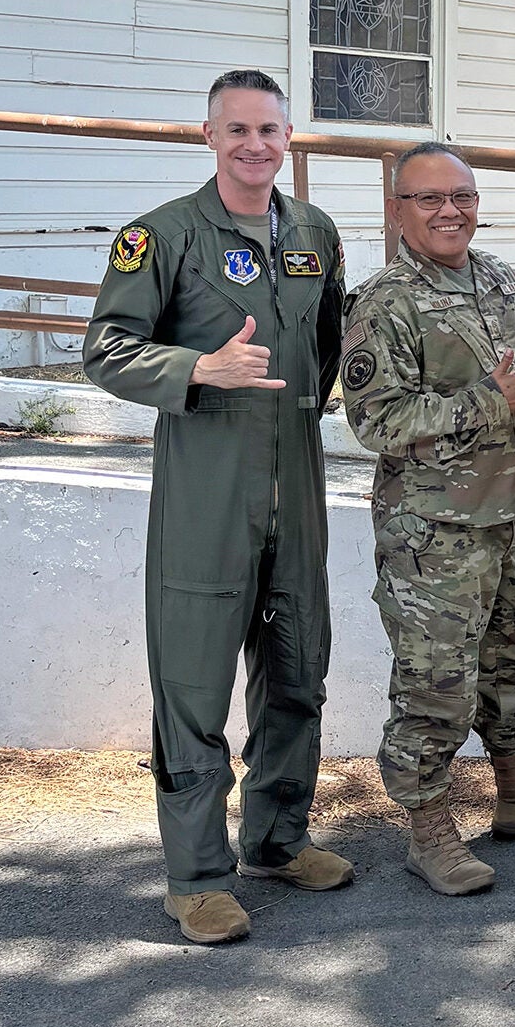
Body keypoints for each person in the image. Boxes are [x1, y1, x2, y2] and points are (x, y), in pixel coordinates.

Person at [82, 70, 353, 945]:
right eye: (236, 130)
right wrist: (197, 368)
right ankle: (196, 876)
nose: (254, 145)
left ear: (288, 140)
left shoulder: (315, 233)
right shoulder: (160, 236)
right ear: (208, 137)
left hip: (298, 488)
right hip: (207, 491)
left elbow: (325, 346)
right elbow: (107, 350)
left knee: (297, 665)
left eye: (270, 130)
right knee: (193, 686)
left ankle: (277, 840)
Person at [341, 145, 515, 897]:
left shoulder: (495, 278)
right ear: (398, 212)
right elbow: (375, 419)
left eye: (461, 195)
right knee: (434, 686)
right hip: (433, 533)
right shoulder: (384, 302)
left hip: (509, 514)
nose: (449, 210)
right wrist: (488, 402)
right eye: (429, 199)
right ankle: (428, 831)